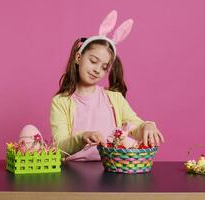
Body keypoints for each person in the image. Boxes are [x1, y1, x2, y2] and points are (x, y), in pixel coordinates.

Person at [49, 10, 165, 161]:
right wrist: (82, 137)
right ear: (78, 57)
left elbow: (135, 126)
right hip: (74, 170)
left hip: (112, 167)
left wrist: (147, 126)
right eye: (93, 61)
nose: (97, 70)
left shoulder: (114, 98)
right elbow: (60, 147)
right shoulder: (60, 102)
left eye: (104, 67)